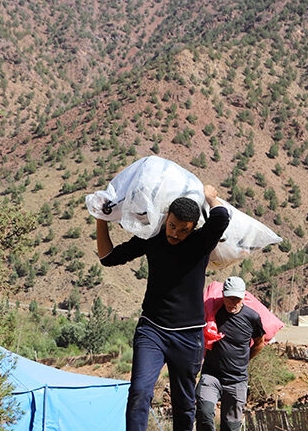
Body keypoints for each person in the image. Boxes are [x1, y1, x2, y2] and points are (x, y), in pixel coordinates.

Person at [96, 185, 229, 431]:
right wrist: (101, 220)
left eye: (183, 230)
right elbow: (108, 258)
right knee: (139, 392)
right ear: (166, 217)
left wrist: (211, 197)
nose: (176, 234)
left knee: (185, 404)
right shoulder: (152, 238)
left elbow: (221, 217)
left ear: (193, 229)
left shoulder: (201, 243)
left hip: (189, 336)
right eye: (172, 226)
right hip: (152, 331)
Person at [196, 277, 265, 431]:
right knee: (204, 412)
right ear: (223, 295)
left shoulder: (252, 317)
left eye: (236, 298)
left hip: (237, 379)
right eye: (228, 297)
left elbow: (260, 343)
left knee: (231, 426)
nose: (232, 302)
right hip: (211, 374)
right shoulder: (213, 312)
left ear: (243, 297)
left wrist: (244, 360)